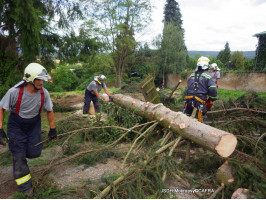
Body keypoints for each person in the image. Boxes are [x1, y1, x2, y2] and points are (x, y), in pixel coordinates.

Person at [0, 63, 57, 196]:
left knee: (34, 152)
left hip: (34, 125)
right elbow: (1, 108)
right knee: (19, 156)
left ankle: (19, 152)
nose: (42, 82)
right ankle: (25, 187)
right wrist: (0, 129)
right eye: (39, 79)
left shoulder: (44, 93)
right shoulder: (14, 92)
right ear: (30, 79)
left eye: (43, 80)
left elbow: (50, 110)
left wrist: (52, 128)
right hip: (16, 126)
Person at [183, 56, 217, 123]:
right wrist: (211, 99)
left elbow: (189, 86)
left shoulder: (191, 75)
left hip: (188, 100)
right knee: (200, 120)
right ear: (207, 65)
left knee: (185, 117)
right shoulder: (208, 75)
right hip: (200, 102)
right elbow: (213, 89)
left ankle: (182, 129)